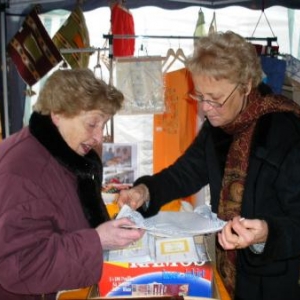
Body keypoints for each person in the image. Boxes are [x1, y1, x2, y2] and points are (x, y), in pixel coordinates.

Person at [118, 31, 300, 300]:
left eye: (215, 98)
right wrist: (146, 191)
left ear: (246, 85)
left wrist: (266, 234)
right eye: (199, 96)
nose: (205, 108)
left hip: (270, 284)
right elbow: (185, 173)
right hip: (226, 273)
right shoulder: (218, 128)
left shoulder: (287, 133)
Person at [0, 68, 144, 300]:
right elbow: (21, 263)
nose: (99, 137)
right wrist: (97, 240)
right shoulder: (22, 171)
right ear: (57, 114)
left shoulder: (60, 154)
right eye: (92, 124)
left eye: (103, 125)